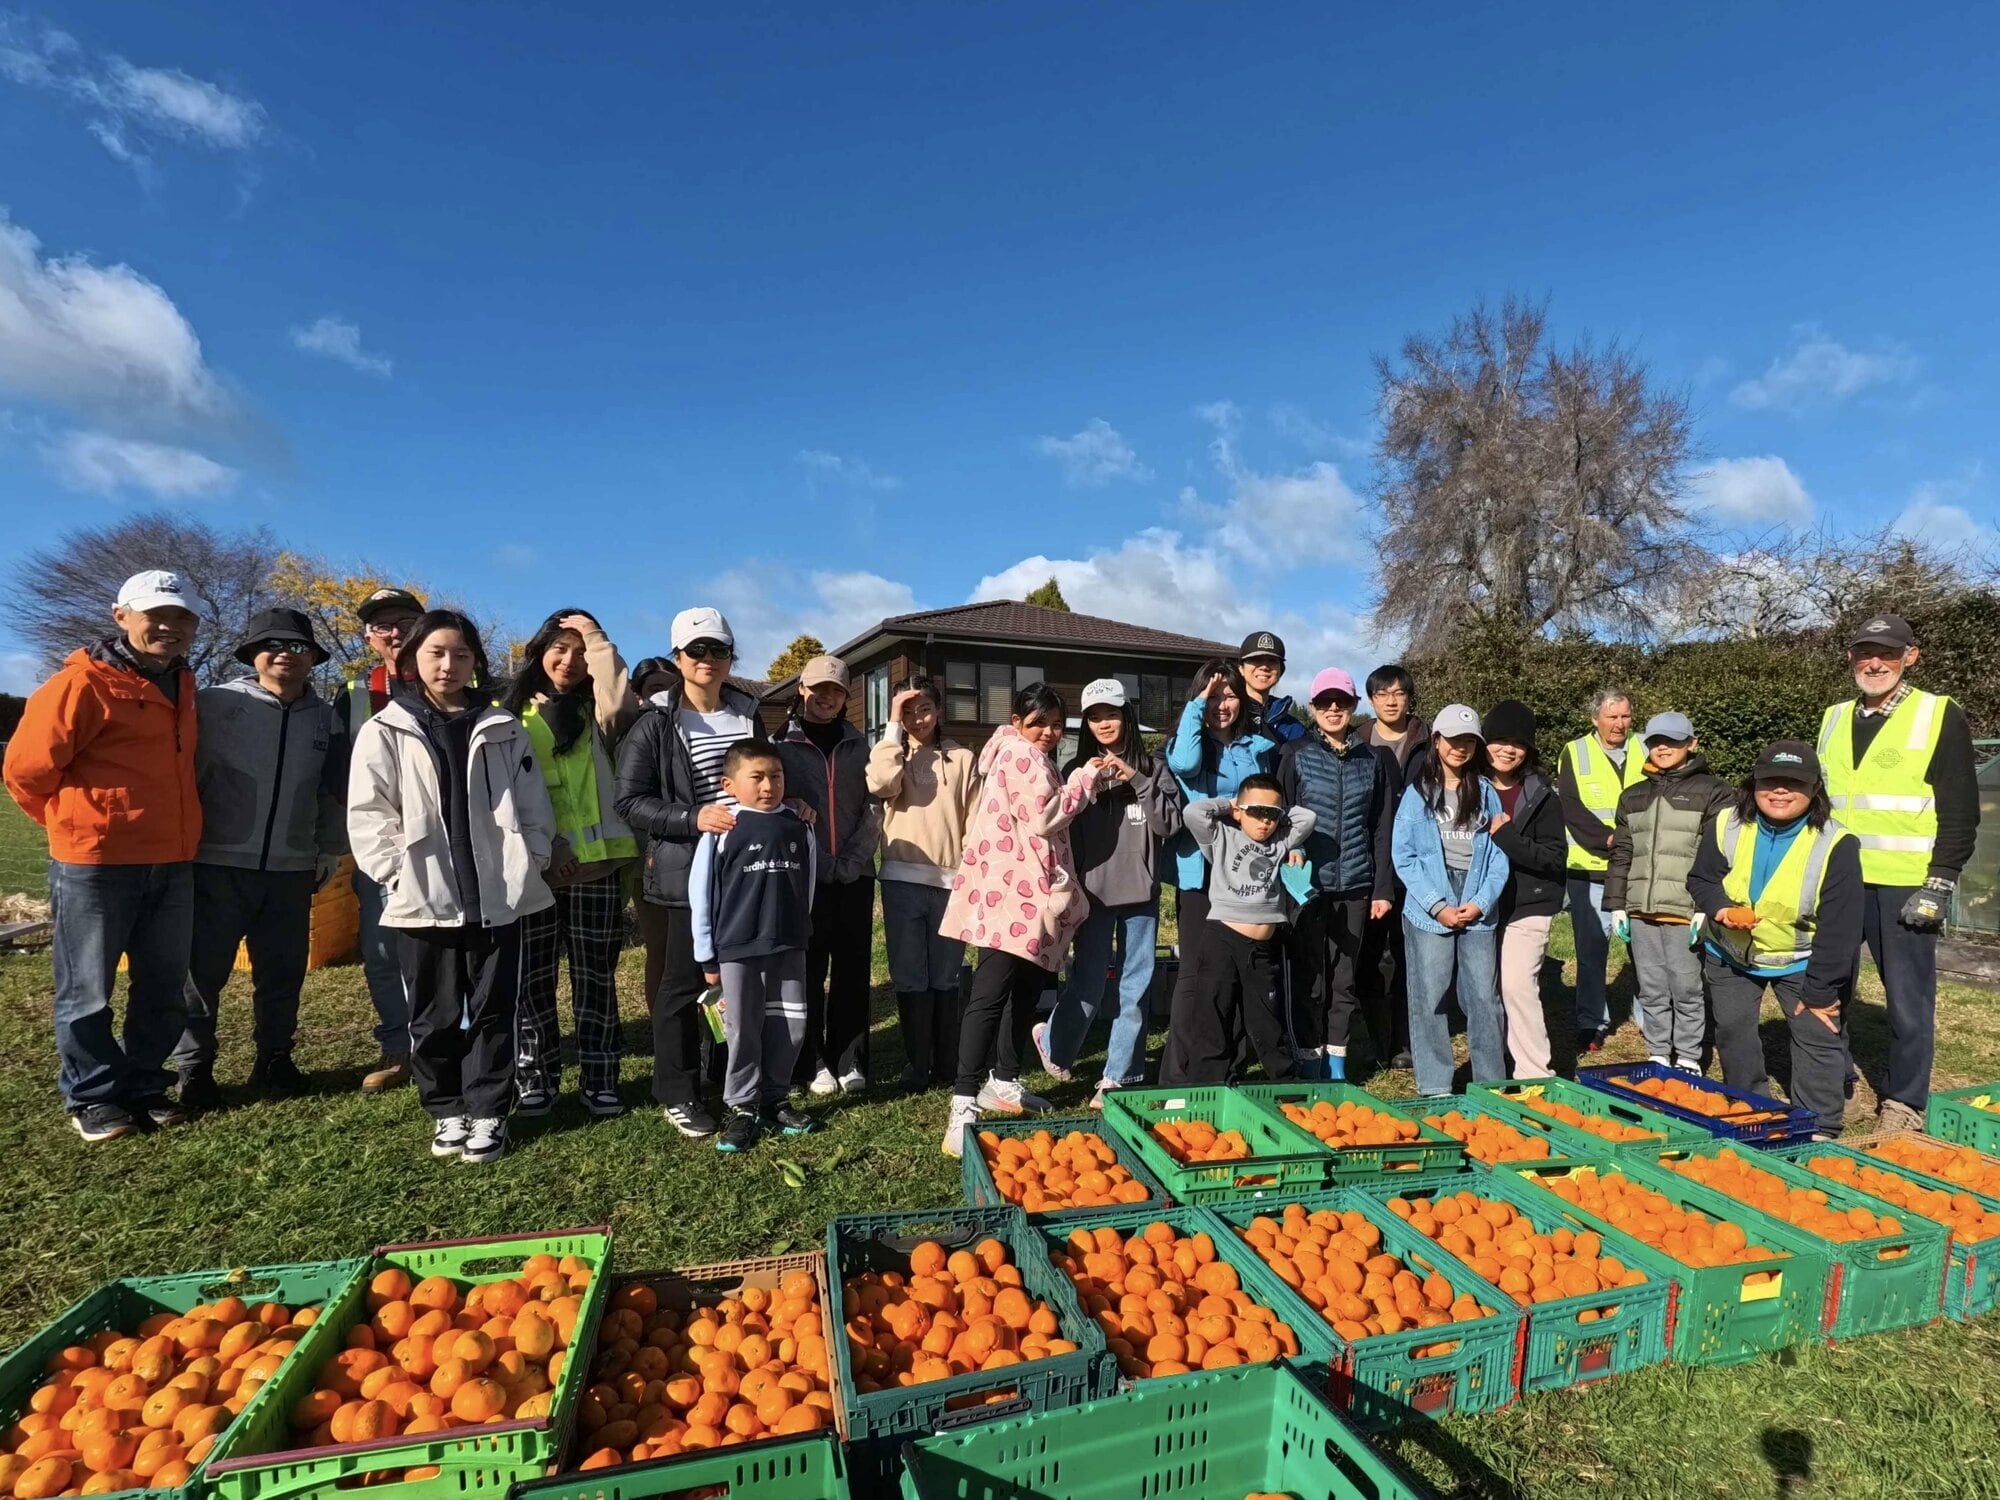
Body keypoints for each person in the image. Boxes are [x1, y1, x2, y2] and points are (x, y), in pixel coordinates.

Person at [346, 611, 556, 1165]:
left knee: (494, 1009)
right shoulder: (385, 728)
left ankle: (488, 1108)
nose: (449, 665)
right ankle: (445, 1108)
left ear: (476, 662)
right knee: (434, 1015)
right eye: (437, 652)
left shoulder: (503, 726)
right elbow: (368, 813)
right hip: (423, 898)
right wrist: (396, 872)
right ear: (413, 658)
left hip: (497, 895)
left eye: (461, 654)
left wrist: (530, 857)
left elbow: (533, 804)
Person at [4, 570, 201, 1141]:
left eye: (182, 617)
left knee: (164, 986)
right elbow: (24, 771)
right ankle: (92, 1097)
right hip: (93, 864)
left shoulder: (184, 682)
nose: (169, 626)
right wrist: (73, 825)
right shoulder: (79, 685)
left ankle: (144, 1084)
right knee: (87, 990)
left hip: (173, 857)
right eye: (155, 615)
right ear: (122, 616)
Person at [174, 608, 346, 1110]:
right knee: (201, 974)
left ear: (313, 657)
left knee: (282, 973)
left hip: (291, 870)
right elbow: (183, 776)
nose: (284, 655)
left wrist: (329, 849)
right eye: (271, 645)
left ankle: (274, 1058)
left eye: (296, 646)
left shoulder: (326, 718)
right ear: (252, 654)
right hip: (216, 863)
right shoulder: (214, 704)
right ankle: (194, 1069)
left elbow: (331, 791)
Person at [1819, 613, 1981, 1133]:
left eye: (1888, 653)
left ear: (1911, 656)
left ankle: (1904, 1102)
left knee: (1908, 997)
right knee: (1828, 985)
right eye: (1866, 652)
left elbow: (1960, 808)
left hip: (1906, 882)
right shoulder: (1833, 717)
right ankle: (1835, 1080)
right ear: (1850, 658)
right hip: (1840, 880)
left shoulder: (1938, 714)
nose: (1875, 662)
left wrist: (1940, 881)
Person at [614, 607, 767, 1140]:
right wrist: (691, 817)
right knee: (681, 985)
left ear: (730, 657)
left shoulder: (749, 713)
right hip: (683, 875)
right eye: (696, 651)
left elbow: (763, 778)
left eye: (718, 650)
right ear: (678, 657)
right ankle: (677, 1091)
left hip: (745, 873)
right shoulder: (654, 722)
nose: (707, 660)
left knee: (739, 984)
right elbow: (629, 800)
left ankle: (733, 1083)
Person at [939, 684, 1105, 1157]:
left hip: (1023, 892)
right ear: (1016, 722)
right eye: (1038, 724)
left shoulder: (1019, 754)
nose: (1049, 733)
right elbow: (1045, 816)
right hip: (1011, 895)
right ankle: (964, 1101)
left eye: (1056, 724)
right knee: (991, 994)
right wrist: (1086, 779)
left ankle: (1003, 1080)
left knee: (1023, 989)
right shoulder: (1022, 756)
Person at [501, 609, 643, 1118]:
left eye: (581, 653)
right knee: (532, 979)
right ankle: (535, 1076)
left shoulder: (602, 714)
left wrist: (596, 636)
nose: (570, 660)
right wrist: (544, 850)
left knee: (595, 979)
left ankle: (601, 1076)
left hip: (597, 867)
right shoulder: (508, 714)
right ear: (538, 652)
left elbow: (622, 700)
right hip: (534, 868)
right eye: (559, 648)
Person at [1689, 742, 1863, 1138]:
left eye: (1794, 783)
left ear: (1814, 788)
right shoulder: (1726, 823)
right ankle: (1750, 1108)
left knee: (1815, 1033)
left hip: (1801, 959)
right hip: (1731, 953)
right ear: (1753, 784)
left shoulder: (1836, 843)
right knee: (1733, 1029)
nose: (1781, 791)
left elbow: (1842, 928)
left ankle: (1819, 1124)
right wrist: (1721, 908)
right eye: (1771, 781)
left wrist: (1820, 991)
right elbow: (1702, 879)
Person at [1034, 679, 1184, 1107]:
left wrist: (1135, 777)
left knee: (1135, 987)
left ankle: (1119, 1075)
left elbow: (1169, 824)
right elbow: (1058, 830)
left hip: (1141, 895)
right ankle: (1055, 1043)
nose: (1103, 723)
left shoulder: (1154, 769)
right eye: (1094, 717)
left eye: (1111, 714)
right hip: (1093, 896)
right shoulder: (1076, 773)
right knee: (1088, 984)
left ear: (1127, 716)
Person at [690, 741, 820, 1152]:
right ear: (730, 784)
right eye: (757, 777)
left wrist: (799, 928)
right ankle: (742, 1105)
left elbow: (809, 885)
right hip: (738, 948)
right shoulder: (724, 828)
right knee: (742, 1026)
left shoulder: (800, 824)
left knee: (791, 1022)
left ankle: (775, 1097)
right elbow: (703, 892)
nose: (769, 786)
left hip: (790, 944)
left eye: (776, 776)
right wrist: (706, 953)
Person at [1275, 669, 1395, 1080]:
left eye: (1340, 702)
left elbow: (1381, 827)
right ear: (1312, 708)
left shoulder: (1372, 760)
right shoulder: (1295, 754)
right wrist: (1291, 854)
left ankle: (1337, 1061)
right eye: (1324, 702)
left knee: (1344, 975)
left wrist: (1381, 888)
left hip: (1357, 884)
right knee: (1311, 975)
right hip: (1308, 882)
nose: (1332, 709)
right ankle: (1309, 1058)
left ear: (1353, 707)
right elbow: (1282, 818)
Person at [1160, 660, 1276, 1084]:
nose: (1220, 704)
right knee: (1194, 973)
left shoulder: (1258, 747)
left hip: (1245, 873)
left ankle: (1229, 1067)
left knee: (1239, 970)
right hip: (1200, 872)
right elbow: (1187, 766)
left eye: (1228, 695)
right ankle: (1179, 1075)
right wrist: (1197, 707)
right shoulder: (1187, 744)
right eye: (1212, 696)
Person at [332, 585, 426, 1095]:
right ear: (369, 637)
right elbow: (335, 777)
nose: (395, 633)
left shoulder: (462, 683)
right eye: (383, 625)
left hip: (449, 843)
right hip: (381, 847)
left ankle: (451, 1046)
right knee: (382, 949)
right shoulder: (353, 695)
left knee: (451, 949)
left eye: (405, 622)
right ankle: (399, 1045)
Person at [866, 676, 979, 1093]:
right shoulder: (891, 752)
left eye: (925, 708)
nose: (918, 718)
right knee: (910, 973)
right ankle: (917, 1064)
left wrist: (971, 873)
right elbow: (879, 785)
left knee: (946, 974)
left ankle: (946, 1063)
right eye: (907, 711)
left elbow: (974, 817)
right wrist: (893, 729)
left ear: (940, 710)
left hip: (952, 880)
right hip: (901, 877)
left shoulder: (963, 757)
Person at [1603, 712, 1732, 1071]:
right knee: (1651, 986)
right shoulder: (1633, 796)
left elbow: (1720, 853)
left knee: (1687, 987)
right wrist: (1617, 905)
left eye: (1673, 741)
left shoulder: (1714, 791)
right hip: (1641, 910)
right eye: (1657, 741)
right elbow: (1623, 853)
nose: (1663, 748)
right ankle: (1658, 1050)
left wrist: (1708, 905)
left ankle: (1689, 1056)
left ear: (1692, 744)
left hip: (1685, 910)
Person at [1393, 705, 1510, 1098]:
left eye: (1469, 742)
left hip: (1477, 902)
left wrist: (1480, 903)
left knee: (1484, 997)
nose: (1460, 748)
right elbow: (1404, 856)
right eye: (1453, 740)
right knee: (1429, 996)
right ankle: (1435, 1085)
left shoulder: (1488, 793)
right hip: (1431, 904)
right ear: (1437, 741)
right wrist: (1435, 904)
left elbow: (1499, 856)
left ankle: (1491, 1085)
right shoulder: (1417, 794)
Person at [775, 655, 879, 1096]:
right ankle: (810, 1059)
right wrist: (818, 858)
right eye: (818, 689)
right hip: (805, 875)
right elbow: (774, 802)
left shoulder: (860, 746)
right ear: (802, 690)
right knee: (808, 969)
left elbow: (874, 808)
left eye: (835, 691)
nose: (826, 698)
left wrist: (852, 862)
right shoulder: (779, 745)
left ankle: (849, 1057)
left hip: (855, 873)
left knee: (854, 969)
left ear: (845, 698)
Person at [1175, 776, 1317, 1084]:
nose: (1264, 822)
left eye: (1272, 815)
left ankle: (1285, 1085)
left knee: (1266, 1017)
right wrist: (1230, 805)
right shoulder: (1222, 837)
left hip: (1262, 949)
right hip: (1221, 940)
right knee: (1214, 1012)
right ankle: (1208, 1084)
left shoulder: (1281, 841)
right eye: (1256, 812)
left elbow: (1308, 818)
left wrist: (1276, 809)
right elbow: (1193, 813)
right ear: (1240, 811)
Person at [1557, 687, 1646, 1052]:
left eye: (1625, 716)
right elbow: (1570, 806)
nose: (1620, 724)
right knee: (1592, 951)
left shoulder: (1647, 746)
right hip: (1590, 869)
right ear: (1595, 719)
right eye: (1612, 717)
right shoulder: (1574, 751)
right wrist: (1608, 840)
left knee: (1645, 951)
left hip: (1641, 869)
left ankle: (1649, 1020)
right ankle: (1592, 1022)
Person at [1481, 701, 1565, 1080]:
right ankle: (1493, 1068)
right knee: (1486, 992)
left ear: (1528, 749)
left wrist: (1507, 838)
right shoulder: (1468, 787)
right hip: (1480, 906)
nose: (1507, 749)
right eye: (1499, 739)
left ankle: (1534, 1073)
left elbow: (1553, 858)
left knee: (1517, 986)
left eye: (1517, 742)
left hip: (1529, 905)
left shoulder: (1544, 796)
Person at [1360, 664, 1427, 1069]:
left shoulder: (1429, 741)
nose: (1391, 700)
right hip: (1369, 863)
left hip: (1419, 865)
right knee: (1368, 956)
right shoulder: (1358, 740)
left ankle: (1404, 1040)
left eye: (1398, 692)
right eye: (1382, 693)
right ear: (1371, 700)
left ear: (1408, 697)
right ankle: (1373, 1035)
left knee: (1409, 958)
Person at [627, 654, 682, 1010]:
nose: (664, 695)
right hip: (647, 854)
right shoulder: (636, 729)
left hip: (697, 852)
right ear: (639, 695)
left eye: (670, 687)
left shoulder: (690, 723)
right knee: (661, 949)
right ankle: (663, 1028)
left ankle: (709, 1035)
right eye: (655, 688)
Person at [1236, 630, 1305, 745]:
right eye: (1256, 659)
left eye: (1272, 661)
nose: (1264, 667)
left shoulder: (1293, 728)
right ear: (1241, 668)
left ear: (1280, 671)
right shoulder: (1227, 715)